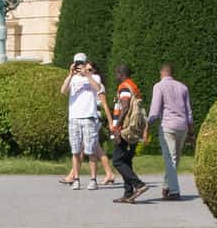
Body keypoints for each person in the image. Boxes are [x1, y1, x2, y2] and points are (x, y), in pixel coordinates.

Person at [58, 54, 110, 190]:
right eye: (77, 63)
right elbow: (63, 91)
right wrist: (70, 74)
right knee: (75, 151)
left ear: (86, 63)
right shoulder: (73, 78)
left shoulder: (94, 77)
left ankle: (93, 179)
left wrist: (87, 74)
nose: (79, 66)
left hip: (89, 117)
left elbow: (98, 88)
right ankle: (76, 179)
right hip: (74, 118)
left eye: (81, 63)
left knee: (91, 150)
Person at [145, 62, 193, 200]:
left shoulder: (159, 86)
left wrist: (147, 124)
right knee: (175, 158)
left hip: (167, 126)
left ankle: (174, 191)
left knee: (170, 159)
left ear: (162, 73)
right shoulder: (183, 87)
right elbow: (189, 112)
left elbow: (154, 110)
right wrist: (191, 131)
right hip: (182, 126)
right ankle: (167, 186)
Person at [107, 65, 149, 204]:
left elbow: (125, 108)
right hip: (133, 128)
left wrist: (116, 127)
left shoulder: (124, 87)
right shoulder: (133, 87)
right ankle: (128, 194)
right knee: (126, 161)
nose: (116, 76)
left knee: (117, 161)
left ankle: (139, 185)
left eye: (116, 73)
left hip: (125, 129)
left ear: (120, 73)